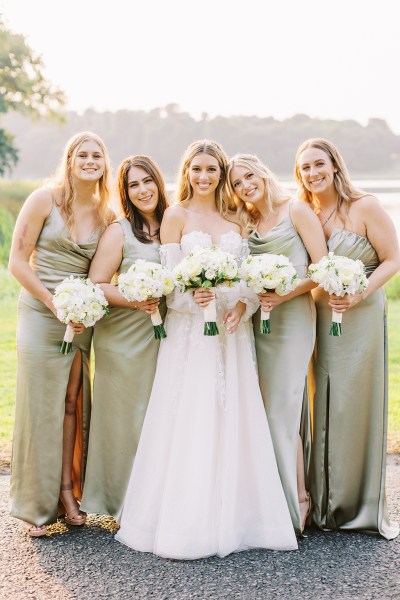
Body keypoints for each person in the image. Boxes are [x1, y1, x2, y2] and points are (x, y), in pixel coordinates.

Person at [115, 140, 298, 559]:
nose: (204, 176)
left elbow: (250, 279)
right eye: (196, 169)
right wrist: (191, 300)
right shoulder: (175, 216)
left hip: (233, 334)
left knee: (234, 412)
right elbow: (171, 284)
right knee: (191, 414)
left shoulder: (237, 217)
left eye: (212, 169)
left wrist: (242, 304)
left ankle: (240, 515)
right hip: (190, 335)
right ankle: (186, 521)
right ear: (186, 171)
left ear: (220, 172)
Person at [8, 132, 114, 536]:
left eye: (97, 155)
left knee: (72, 402)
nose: (89, 161)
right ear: (69, 160)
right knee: (41, 403)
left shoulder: (107, 214)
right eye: (82, 155)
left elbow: (101, 272)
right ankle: (35, 507)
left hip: (80, 317)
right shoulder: (43, 200)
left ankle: (68, 492)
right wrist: (55, 304)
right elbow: (17, 261)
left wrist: (83, 311)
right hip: (41, 310)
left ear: (105, 163)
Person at [294, 137, 400, 539]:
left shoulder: (365, 207)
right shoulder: (306, 214)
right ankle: (322, 503)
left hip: (361, 314)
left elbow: (393, 258)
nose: (313, 173)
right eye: (304, 168)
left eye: (318, 164)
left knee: (354, 401)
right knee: (321, 397)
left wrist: (359, 293)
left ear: (335, 165)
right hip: (319, 314)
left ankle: (356, 504)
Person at [227, 154, 327, 534]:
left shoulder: (296, 210)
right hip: (260, 324)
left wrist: (285, 295)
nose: (245, 186)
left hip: (293, 319)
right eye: (236, 183)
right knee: (266, 411)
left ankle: (296, 501)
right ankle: (275, 499)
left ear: (263, 172)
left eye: (248, 176)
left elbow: (321, 266)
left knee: (280, 412)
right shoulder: (247, 222)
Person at [81, 156, 168, 520]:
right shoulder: (119, 231)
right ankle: (120, 502)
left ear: (159, 183)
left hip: (164, 337)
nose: (143, 190)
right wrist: (135, 298)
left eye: (148, 181)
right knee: (125, 418)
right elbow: (96, 284)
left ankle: (156, 499)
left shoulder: (174, 224)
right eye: (133, 185)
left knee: (157, 417)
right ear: (125, 192)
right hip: (123, 336)